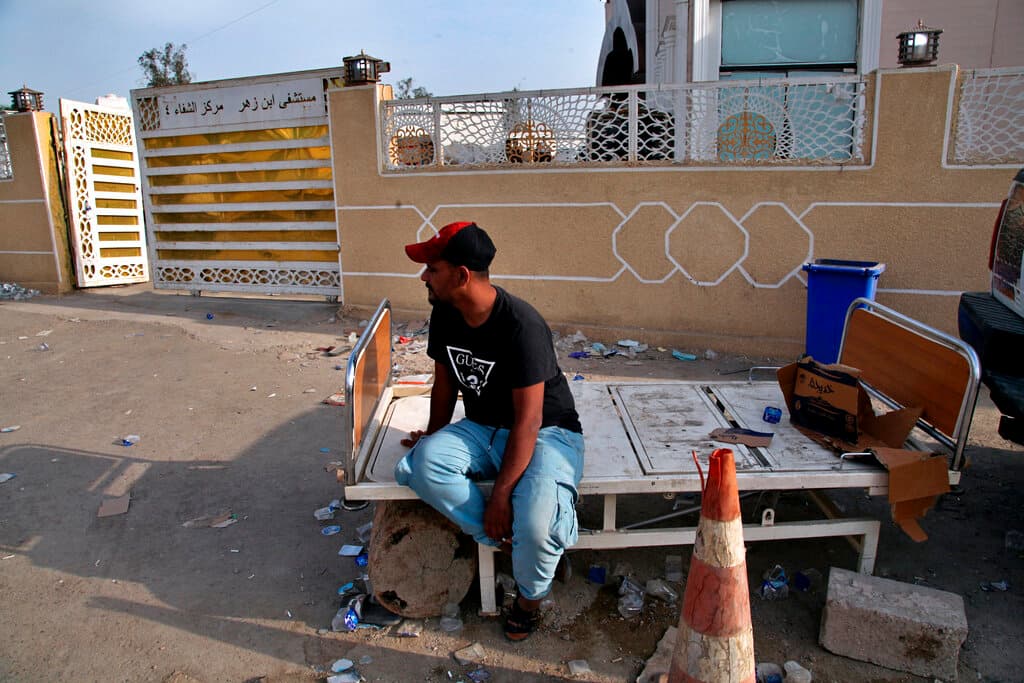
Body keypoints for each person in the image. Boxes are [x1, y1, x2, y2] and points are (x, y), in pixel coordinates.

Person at [394, 221, 585, 641]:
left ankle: (530, 598)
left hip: (547, 432)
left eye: (432, 268)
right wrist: (434, 433)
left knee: (538, 522)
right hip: (482, 428)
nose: (423, 276)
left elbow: (530, 420)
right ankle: (515, 547)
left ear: (462, 275)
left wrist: (501, 493)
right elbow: (444, 384)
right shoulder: (444, 312)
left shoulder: (522, 325)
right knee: (422, 465)